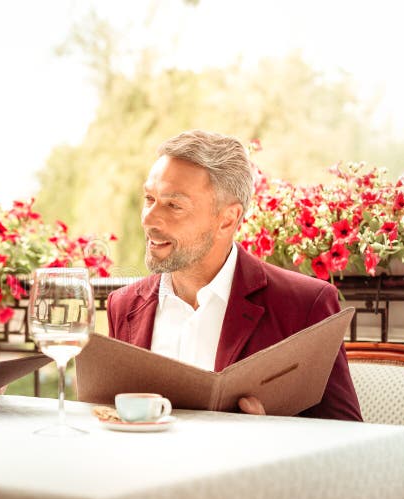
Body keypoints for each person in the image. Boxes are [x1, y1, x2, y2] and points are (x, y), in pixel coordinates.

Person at [106, 130, 362, 421]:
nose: (149, 219)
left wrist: (270, 436)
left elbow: (349, 437)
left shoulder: (305, 305)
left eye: (173, 205)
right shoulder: (122, 306)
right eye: (149, 198)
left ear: (227, 219)